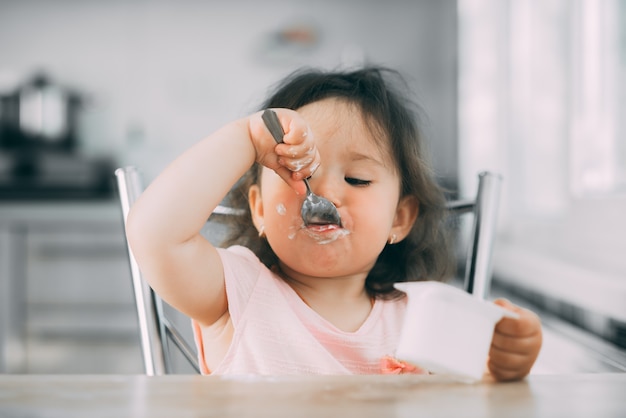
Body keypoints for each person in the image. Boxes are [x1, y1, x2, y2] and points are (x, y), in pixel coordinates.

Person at [126, 66, 542, 380]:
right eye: (296, 174)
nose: (325, 194)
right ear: (258, 210)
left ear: (399, 218)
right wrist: (248, 139)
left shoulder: (422, 319)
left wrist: (504, 359)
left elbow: (472, 398)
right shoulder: (237, 294)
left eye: (357, 179)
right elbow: (154, 234)